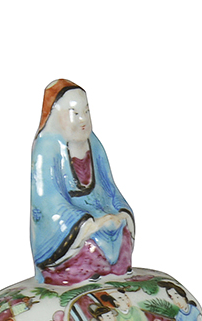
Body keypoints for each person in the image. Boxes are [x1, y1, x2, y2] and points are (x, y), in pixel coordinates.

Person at [30, 81, 135, 286]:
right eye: (75, 113)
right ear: (56, 116)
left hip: (100, 217)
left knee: (121, 234)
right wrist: (87, 224)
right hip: (71, 224)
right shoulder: (46, 148)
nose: (83, 120)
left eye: (86, 112)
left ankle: (114, 271)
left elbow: (109, 188)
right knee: (88, 246)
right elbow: (47, 203)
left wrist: (119, 213)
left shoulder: (94, 144)